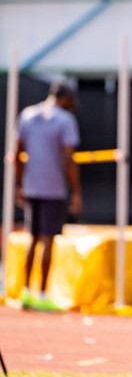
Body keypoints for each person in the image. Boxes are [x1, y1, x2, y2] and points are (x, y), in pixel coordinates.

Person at [14, 82, 82, 311]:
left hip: (32, 186)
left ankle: (25, 292)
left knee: (32, 239)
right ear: (63, 99)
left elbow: (17, 153)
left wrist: (19, 184)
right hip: (53, 188)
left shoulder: (28, 115)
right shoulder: (65, 120)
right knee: (48, 240)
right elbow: (68, 159)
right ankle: (42, 294)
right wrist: (76, 192)